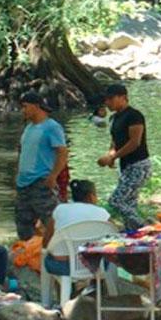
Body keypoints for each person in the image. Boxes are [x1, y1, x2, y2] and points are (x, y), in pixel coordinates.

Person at [16, 92, 69, 246]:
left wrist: (53, 176)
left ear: (36, 106)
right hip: (23, 183)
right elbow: (22, 152)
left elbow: (62, 152)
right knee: (23, 224)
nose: (23, 110)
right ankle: (29, 253)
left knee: (52, 220)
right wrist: (18, 173)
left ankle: (61, 251)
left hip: (41, 181)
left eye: (25, 107)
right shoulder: (29, 127)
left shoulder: (52, 127)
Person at [97, 84, 151, 230]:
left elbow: (135, 142)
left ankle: (144, 226)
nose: (107, 103)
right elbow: (115, 141)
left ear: (123, 97)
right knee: (129, 203)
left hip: (139, 165)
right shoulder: (114, 118)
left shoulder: (134, 115)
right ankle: (133, 235)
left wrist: (113, 157)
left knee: (116, 200)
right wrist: (110, 155)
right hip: (126, 166)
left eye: (111, 99)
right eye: (106, 100)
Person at [43, 180, 112, 276]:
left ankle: (64, 289)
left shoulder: (60, 209)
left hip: (62, 266)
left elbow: (46, 240)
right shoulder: (102, 213)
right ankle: (98, 285)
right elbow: (114, 237)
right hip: (95, 265)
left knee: (48, 257)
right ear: (91, 196)